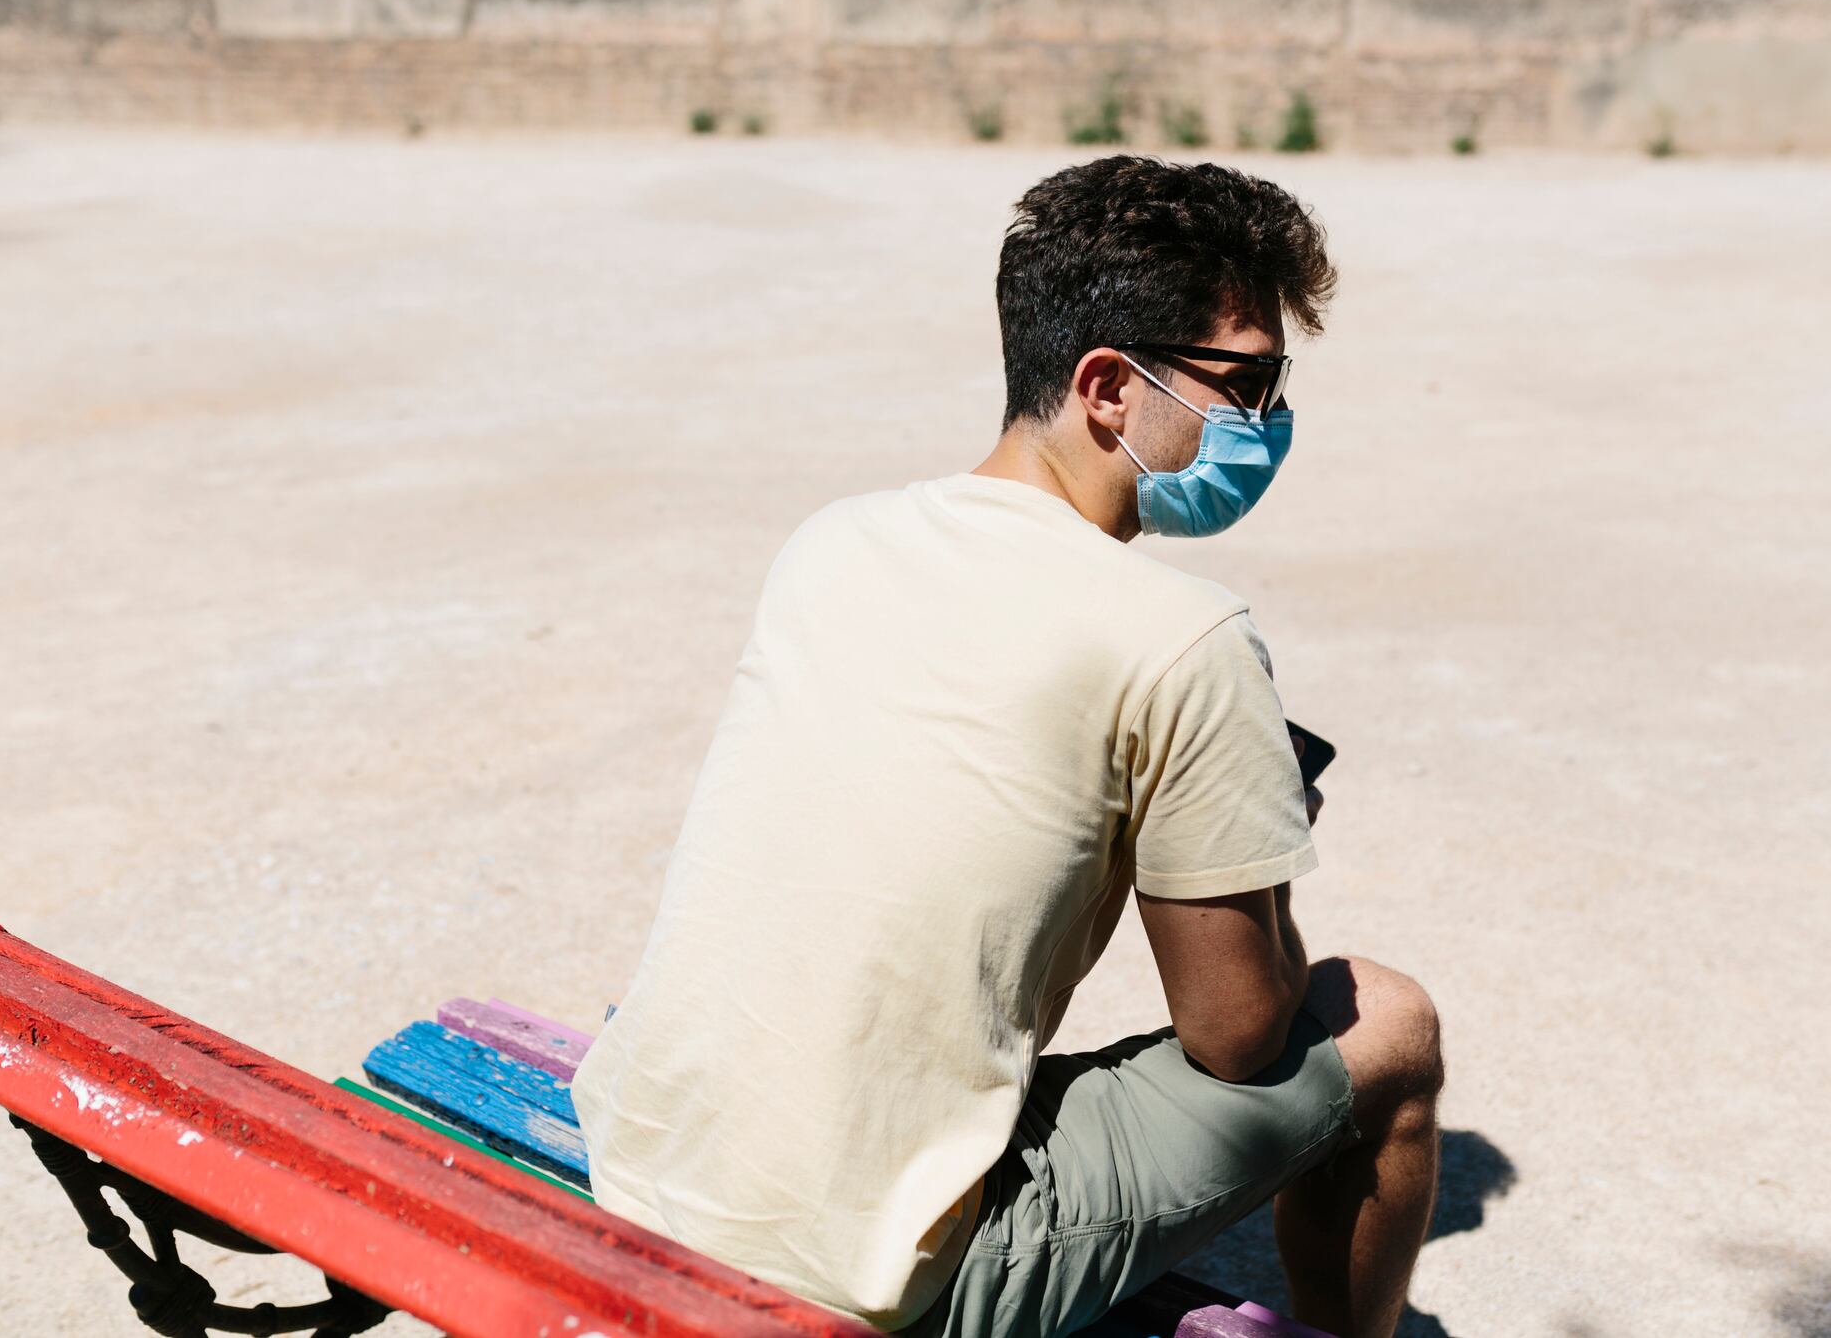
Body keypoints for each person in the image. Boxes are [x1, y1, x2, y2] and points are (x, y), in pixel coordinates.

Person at [572, 155, 1445, 1338]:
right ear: (1107, 387)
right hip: (851, 1277)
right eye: (1249, 379)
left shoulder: (836, 539)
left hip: (641, 1172)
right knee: (1387, 1020)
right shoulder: (1186, 640)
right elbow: (1237, 1039)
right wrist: (1257, 843)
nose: (1270, 419)